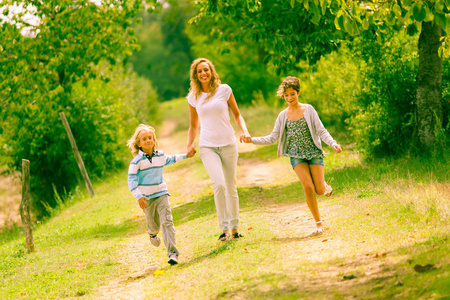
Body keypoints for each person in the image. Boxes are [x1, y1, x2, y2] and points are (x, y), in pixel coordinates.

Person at [241, 76, 342, 234]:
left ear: (298, 92)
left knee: (320, 190)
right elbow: (272, 138)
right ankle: (318, 223)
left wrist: (332, 143)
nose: (289, 98)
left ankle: (324, 184)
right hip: (296, 156)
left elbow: (321, 130)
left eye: (292, 94)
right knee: (308, 187)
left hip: (313, 152)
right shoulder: (282, 116)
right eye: (286, 95)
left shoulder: (308, 109)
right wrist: (251, 140)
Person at [186, 58, 251, 241]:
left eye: (206, 70)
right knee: (219, 184)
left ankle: (235, 228)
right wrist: (189, 143)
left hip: (228, 143)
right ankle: (223, 229)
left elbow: (237, 114)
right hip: (207, 146)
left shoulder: (225, 90)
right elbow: (193, 125)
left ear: (211, 71)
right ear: (195, 75)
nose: (203, 73)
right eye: (199, 71)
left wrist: (244, 130)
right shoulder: (193, 97)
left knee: (230, 186)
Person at [127, 124, 195, 265]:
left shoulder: (160, 155)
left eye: (150, 138)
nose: (148, 140)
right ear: (138, 144)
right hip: (147, 198)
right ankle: (152, 233)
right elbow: (131, 179)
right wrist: (138, 196)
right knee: (155, 226)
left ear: (154, 140)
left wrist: (186, 155)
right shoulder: (136, 162)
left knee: (167, 222)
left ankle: (173, 254)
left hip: (162, 194)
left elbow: (171, 159)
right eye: (144, 139)